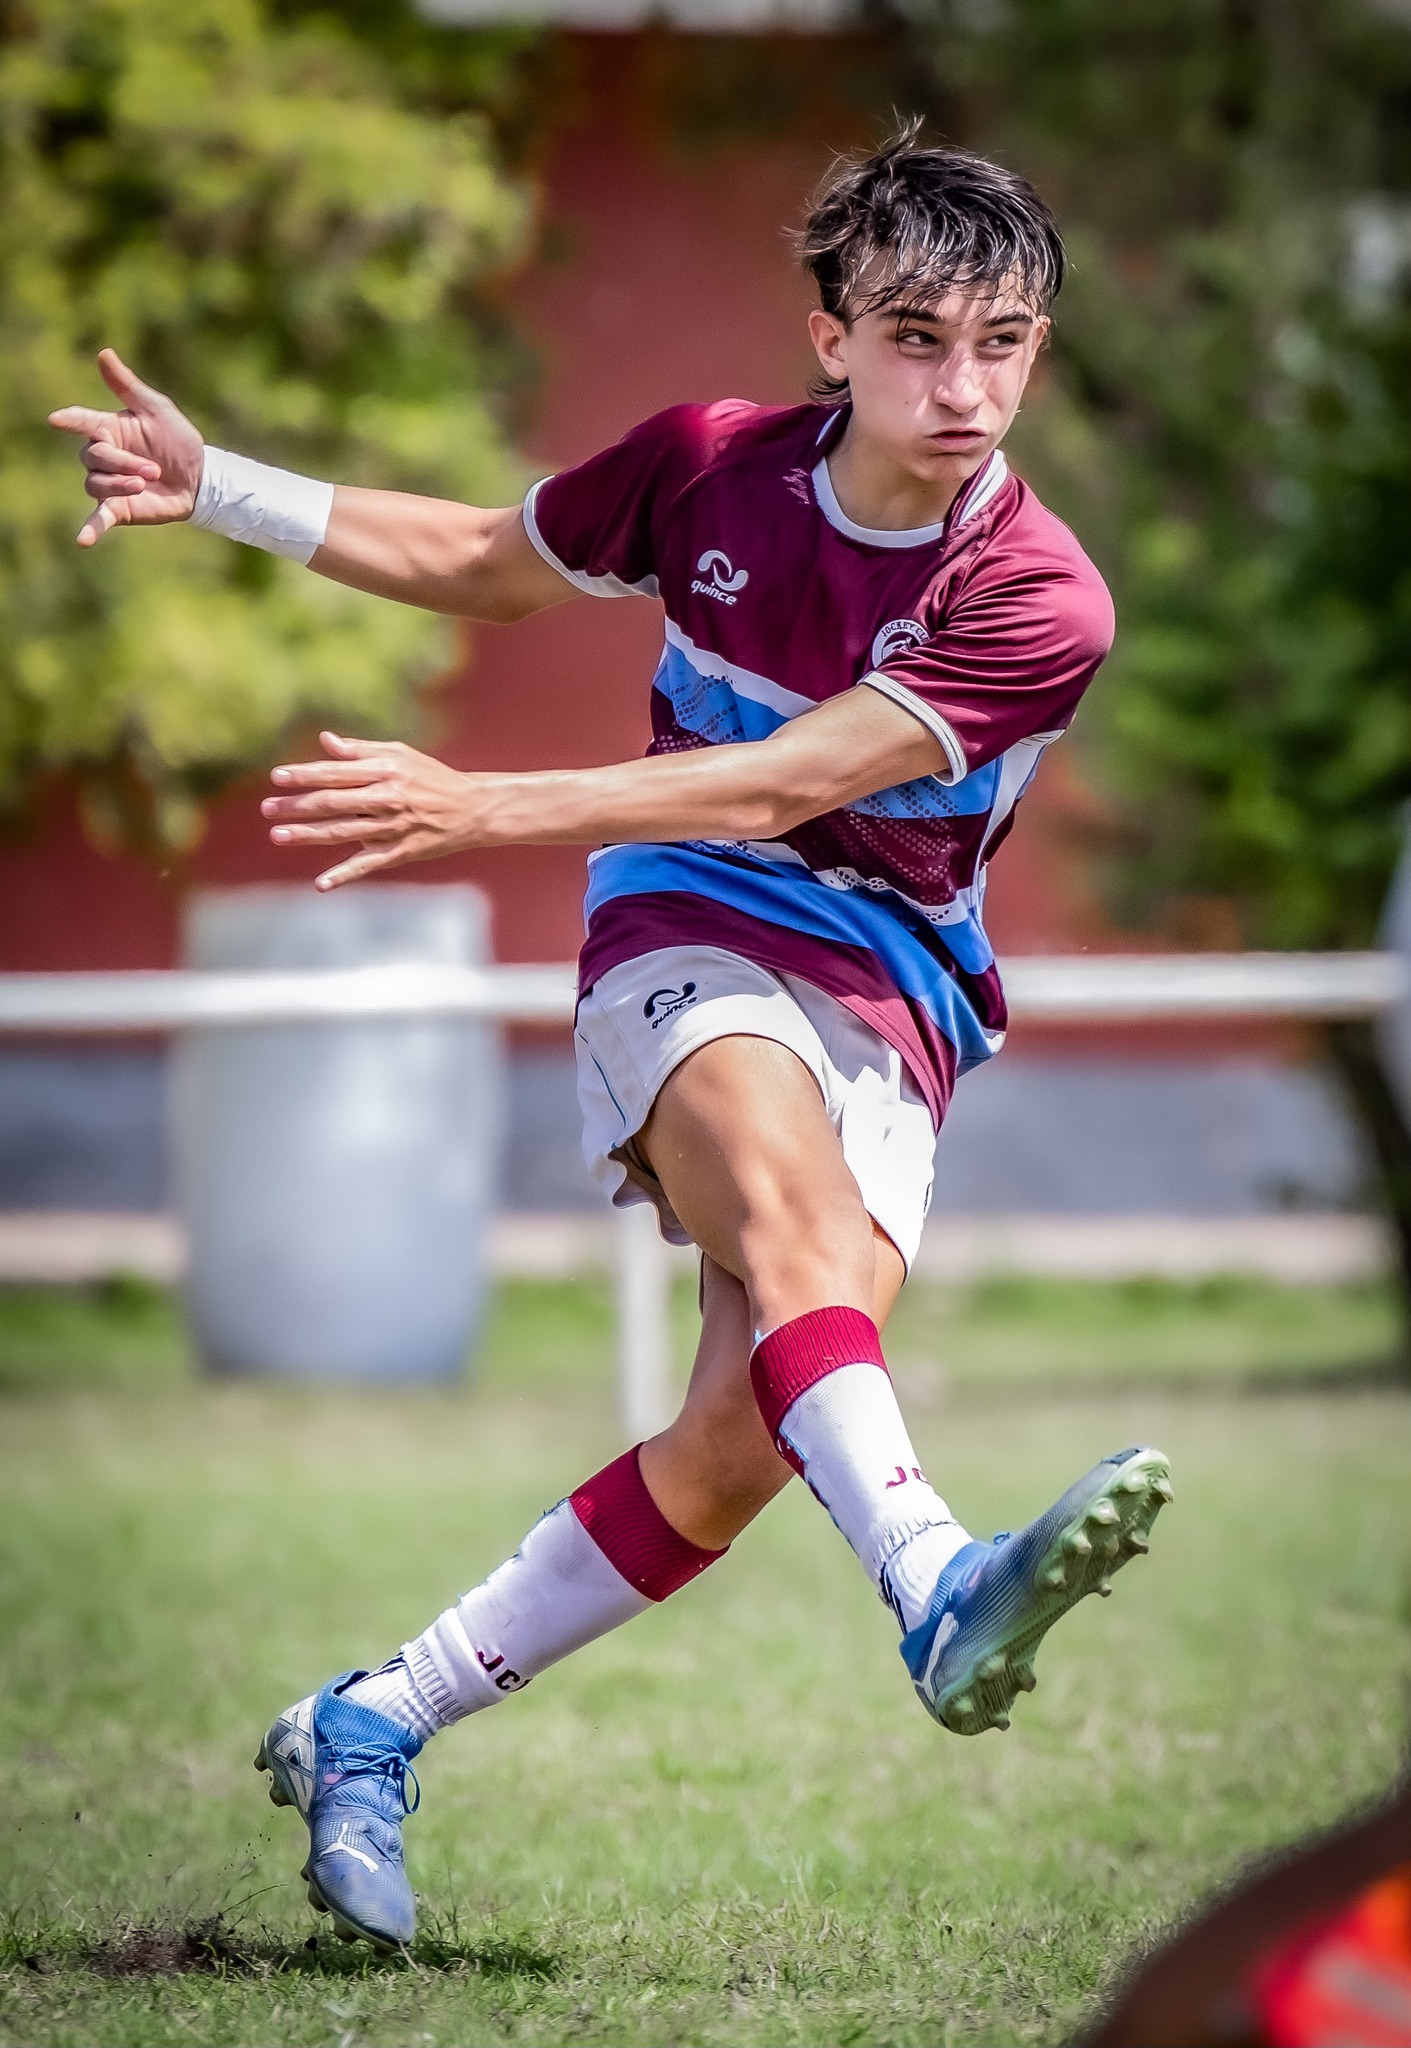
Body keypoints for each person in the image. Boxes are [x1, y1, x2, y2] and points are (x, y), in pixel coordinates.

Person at [51, 129, 1173, 1954]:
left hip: (894, 973)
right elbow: (495, 564)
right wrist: (224, 485)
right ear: (832, 339)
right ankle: (941, 1582)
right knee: (803, 1240)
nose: (963, 387)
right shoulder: (708, 465)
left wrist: (474, 807)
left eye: (1004, 342)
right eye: (916, 337)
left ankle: (374, 1717)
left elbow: (802, 776)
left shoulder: (1040, 595)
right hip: (687, 909)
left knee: (740, 1438)